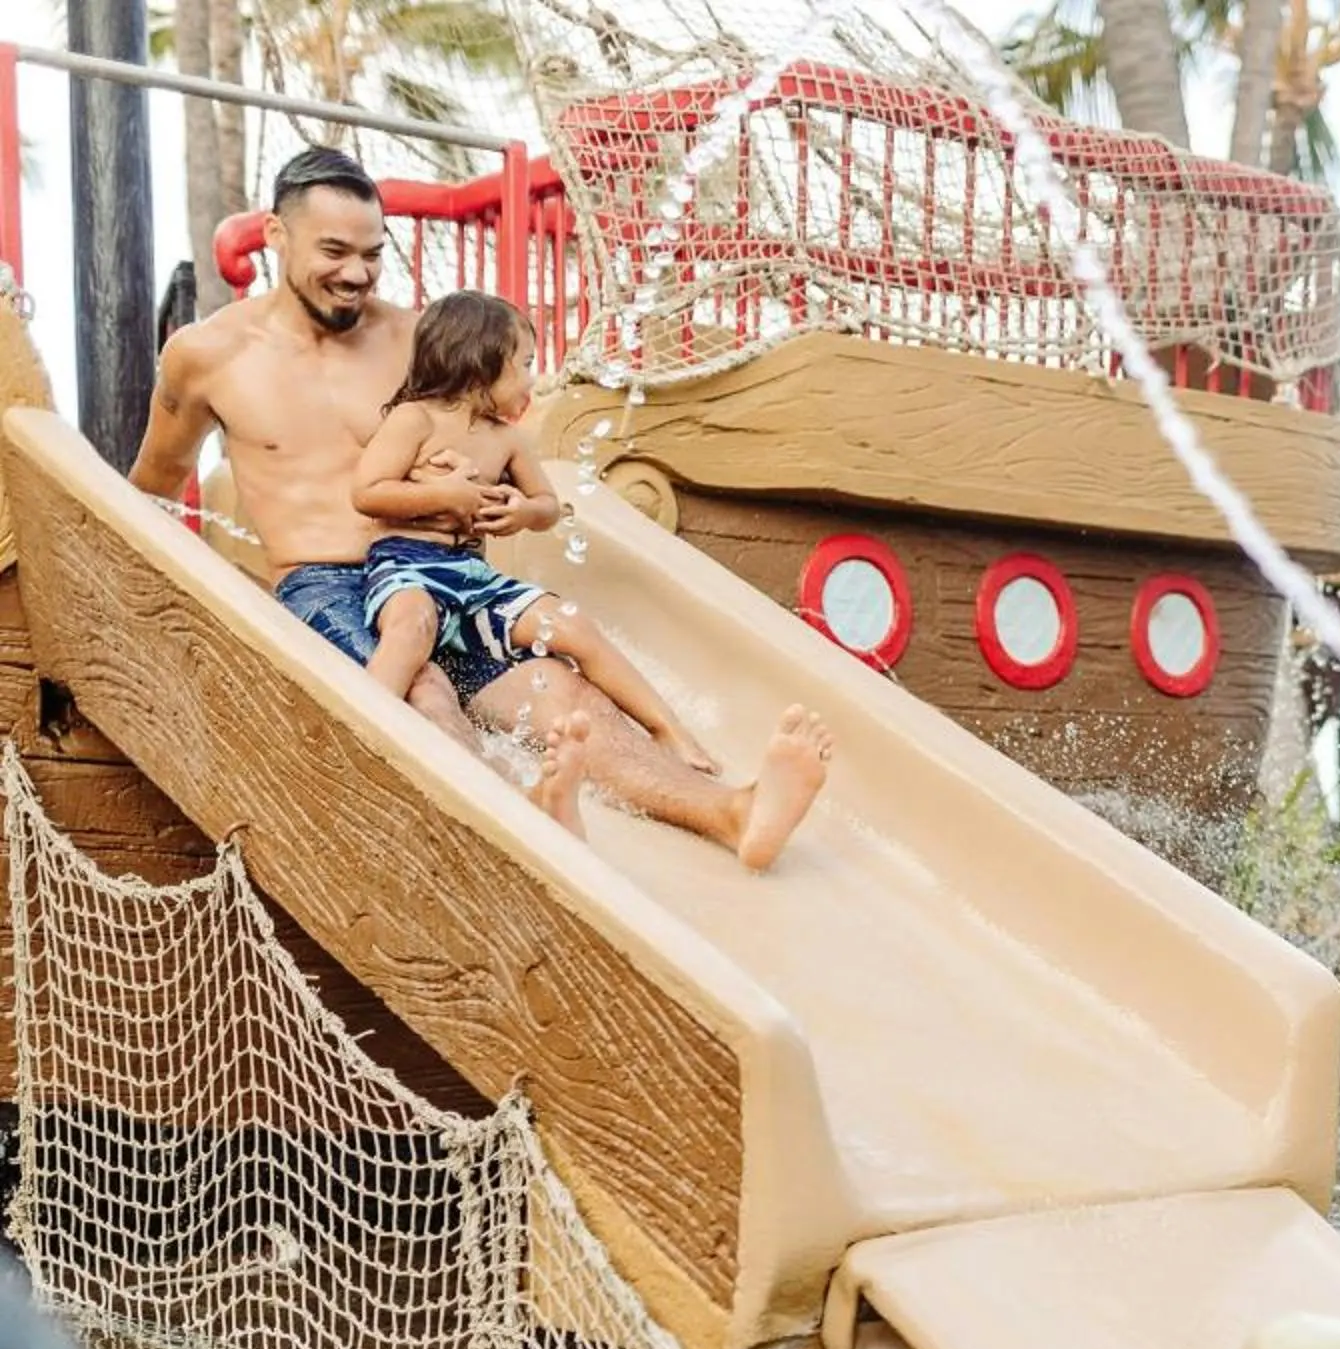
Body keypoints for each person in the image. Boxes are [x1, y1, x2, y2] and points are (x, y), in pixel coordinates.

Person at [129, 145, 834, 870]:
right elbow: (151, 488)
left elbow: (496, 433)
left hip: (442, 572)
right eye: (333, 250)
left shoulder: (420, 341)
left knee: (568, 697)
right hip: (327, 584)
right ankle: (511, 817)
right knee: (420, 685)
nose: (355, 273)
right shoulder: (206, 355)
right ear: (277, 236)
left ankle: (733, 813)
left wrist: (498, 499)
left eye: (372, 254)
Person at [355, 289, 721, 826]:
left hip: (472, 576)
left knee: (570, 624)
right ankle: (361, 727)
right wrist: (444, 497)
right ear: (478, 361)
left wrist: (522, 510)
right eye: (524, 364)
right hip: (408, 563)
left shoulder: (507, 440)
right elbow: (367, 493)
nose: (532, 378)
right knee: (410, 627)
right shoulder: (415, 420)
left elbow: (549, 506)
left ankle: (667, 728)